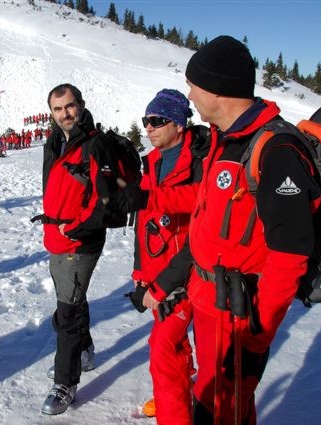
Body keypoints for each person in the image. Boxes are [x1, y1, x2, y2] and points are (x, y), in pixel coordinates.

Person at [148, 35, 321, 424]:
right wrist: (167, 283)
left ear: (219, 88)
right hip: (209, 301)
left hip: (238, 319)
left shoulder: (276, 152)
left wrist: (256, 337)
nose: (189, 94)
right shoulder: (224, 142)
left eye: (194, 84)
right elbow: (206, 233)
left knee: (221, 410)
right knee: (219, 405)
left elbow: (291, 253)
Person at [111, 89, 209, 425]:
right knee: (173, 348)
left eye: (157, 121)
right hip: (157, 273)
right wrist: (141, 275)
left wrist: (149, 197)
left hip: (186, 274)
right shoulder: (151, 161)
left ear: (179, 125)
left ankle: (174, 412)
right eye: (146, 121)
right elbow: (145, 224)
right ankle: (177, 392)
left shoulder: (200, 158)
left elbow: (200, 202)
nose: (149, 128)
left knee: (163, 351)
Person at [35, 83, 118, 416]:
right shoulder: (55, 142)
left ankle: (66, 382)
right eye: (57, 109)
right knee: (72, 300)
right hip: (56, 237)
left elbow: (107, 203)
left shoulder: (96, 145)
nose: (64, 114)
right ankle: (83, 349)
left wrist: (74, 227)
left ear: (81, 105)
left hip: (80, 240)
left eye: (69, 106)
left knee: (66, 313)